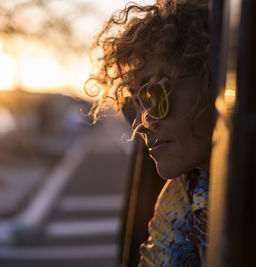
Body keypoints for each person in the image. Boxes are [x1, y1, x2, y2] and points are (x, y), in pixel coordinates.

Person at [85, 0, 213, 266]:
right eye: (134, 106)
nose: (140, 124)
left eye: (153, 95)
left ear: (211, 80)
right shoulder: (183, 195)